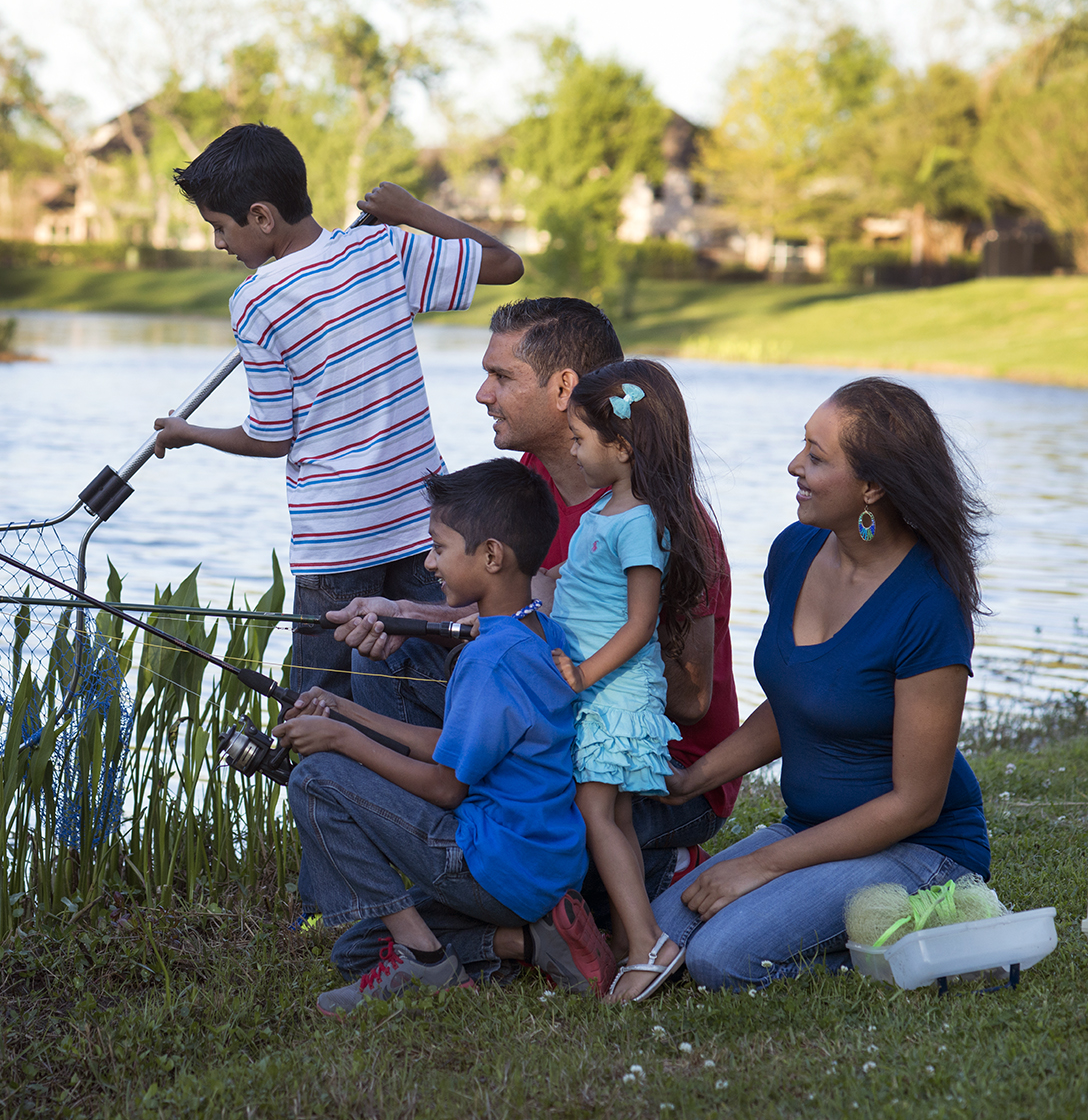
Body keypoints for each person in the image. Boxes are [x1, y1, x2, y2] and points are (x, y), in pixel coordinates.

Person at [326, 298, 742, 910]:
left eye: (501, 377)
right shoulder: (530, 481)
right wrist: (422, 618)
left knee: (560, 841)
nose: (482, 394)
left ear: (564, 388)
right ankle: (462, 854)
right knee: (387, 653)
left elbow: (690, 696)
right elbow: (518, 617)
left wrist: (556, 637)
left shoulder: (663, 524)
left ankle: (660, 868)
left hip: (649, 771)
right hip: (556, 726)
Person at [152, 122, 525, 700]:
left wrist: (190, 432)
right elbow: (505, 263)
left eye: (220, 228)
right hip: (422, 524)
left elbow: (270, 436)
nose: (221, 244)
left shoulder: (254, 301)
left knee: (320, 702)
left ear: (262, 217)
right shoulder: (382, 250)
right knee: (434, 684)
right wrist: (412, 210)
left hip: (335, 538)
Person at [647, 377, 989, 993]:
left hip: (920, 847)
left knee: (719, 959)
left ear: (873, 486)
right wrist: (694, 779)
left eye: (817, 456)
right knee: (657, 936)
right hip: (810, 829)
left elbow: (917, 802)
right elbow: (800, 701)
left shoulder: (929, 605)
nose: (793, 466)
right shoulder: (795, 551)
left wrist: (761, 865)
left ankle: (928, 935)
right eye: (802, 446)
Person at [276, 459, 616, 1015]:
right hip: (542, 867)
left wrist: (338, 742)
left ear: (490, 556)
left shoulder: (489, 658)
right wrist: (344, 712)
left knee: (314, 778)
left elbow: (445, 786)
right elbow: (450, 745)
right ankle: (531, 943)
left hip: (499, 864)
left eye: (438, 547)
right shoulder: (537, 632)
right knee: (358, 948)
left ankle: (427, 962)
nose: (428, 562)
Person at [547, 361, 717, 1001]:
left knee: (598, 813)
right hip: (596, 689)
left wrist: (582, 674)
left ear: (621, 447)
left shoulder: (641, 522)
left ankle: (649, 943)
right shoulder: (605, 510)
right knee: (610, 814)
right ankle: (629, 945)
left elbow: (642, 623)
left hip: (613, 692)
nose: (572, 449)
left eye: (581, 439)